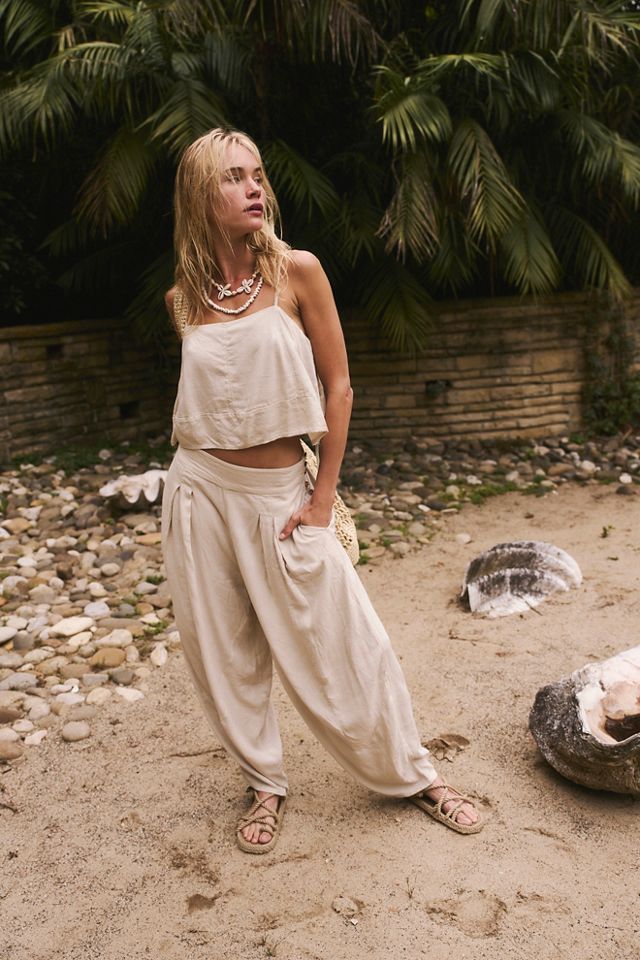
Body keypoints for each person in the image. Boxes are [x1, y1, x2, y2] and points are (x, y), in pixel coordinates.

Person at [161, 127, 482, 853]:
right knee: (222, 650)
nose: (254, 188)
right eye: (233, 177)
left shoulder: (297, 272)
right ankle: (264, 782)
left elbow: (339, 388)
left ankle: (415, 774)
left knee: (347, 639)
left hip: (281, 492)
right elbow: (213, 400)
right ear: (199, 195)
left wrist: (322, 499)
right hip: (199, 490)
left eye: (257, 174)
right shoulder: (182, 299)